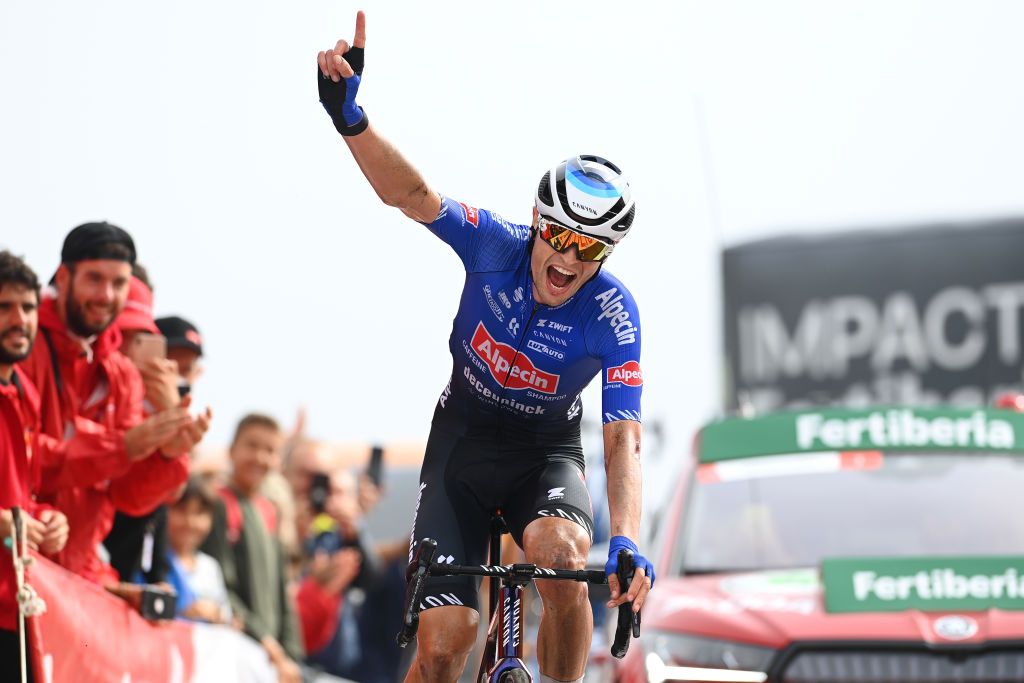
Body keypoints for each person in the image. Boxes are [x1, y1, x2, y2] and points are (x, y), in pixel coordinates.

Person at [316, 13, 654, 683]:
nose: (567, 257)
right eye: (558, 235)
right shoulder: (493, 244)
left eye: (590, 249)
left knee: (561, 559)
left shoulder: (614, 313)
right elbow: (412, 196)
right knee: (447, 641)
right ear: (536, 221)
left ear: (606, 254)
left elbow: (623, 437)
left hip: (545, 456)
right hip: (462, 448)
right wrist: (350, 120)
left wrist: (628, 537)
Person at [18, 222, 210, 583]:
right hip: (19, 566)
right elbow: (19, 459)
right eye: (94, 279)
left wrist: (168, 454)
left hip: (76, 578)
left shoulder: (120, 375)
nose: (106, 295)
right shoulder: (23, 346)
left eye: (118, 283)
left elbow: (127, 497)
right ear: (63, 276)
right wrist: (122, 447)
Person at [0, 251, 69, 682]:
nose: (19, 319)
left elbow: (22, 496)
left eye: (27, 307)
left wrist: (47, 520)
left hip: (17, 608)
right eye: (3, 307)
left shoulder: (26, 392)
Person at [201, 413, 304, 683]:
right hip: (240, 652)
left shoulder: (269, 510)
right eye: (252, 446)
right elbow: (222, 587)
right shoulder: (219, 505)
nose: (259, 457)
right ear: (232, 450)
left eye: (270, 450)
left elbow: (283, 592)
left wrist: (291, 655)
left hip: (274, 657)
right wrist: (268, 644)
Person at [165, 476, 233, 625]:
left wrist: (215, 613)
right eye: (181, 510)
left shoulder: (210, 567)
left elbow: (225, 615)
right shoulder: (154, 561)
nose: (190, 522)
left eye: (200, 513)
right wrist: (181, 610)